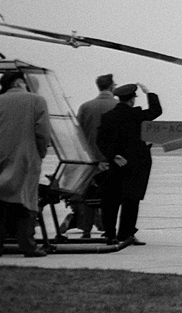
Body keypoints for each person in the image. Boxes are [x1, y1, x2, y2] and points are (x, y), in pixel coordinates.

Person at [0, 71, 52, 257]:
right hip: (25, 156)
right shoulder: (37, 101)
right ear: (19, 82)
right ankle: (28, 246)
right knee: (26, 201)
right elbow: (43, 132)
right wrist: (40, 153)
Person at [96, 83, 163, 247]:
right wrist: (150, 93)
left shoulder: (108, 117)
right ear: (132, 99)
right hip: (137, 165)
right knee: (131, 201)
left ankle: (110, 235)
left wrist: (113, 156)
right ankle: (125, 234)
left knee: (111, 200)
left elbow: (100, 140)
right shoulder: (137, 115)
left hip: (117, 164)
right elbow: (156, 111)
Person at [66, 73, 119, 238]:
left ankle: (86, 230)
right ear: (112, 87)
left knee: (88, 198)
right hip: (112, 160)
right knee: (113, 198)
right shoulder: (118, 105)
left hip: (90, 160)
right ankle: (110, 230)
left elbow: (77, 132)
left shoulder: (86, 107)